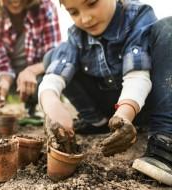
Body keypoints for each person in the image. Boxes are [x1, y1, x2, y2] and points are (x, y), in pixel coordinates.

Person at [39, 0, 172, 185]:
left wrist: (125, 113)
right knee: (53, 57)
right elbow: (54, 78)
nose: (85, 18)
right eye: (73, 12)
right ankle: (98, 122)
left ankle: (165, 139)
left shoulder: (137, 16)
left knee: (168, 27)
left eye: (92, 3)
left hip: (145, 104)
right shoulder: (76, 35)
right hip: (111, 110)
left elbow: (137, 76)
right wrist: (52, 104)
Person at [0, 0, 61, 131]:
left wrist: (31, 71)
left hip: (36, 79)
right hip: (7, 78)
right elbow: (1, 64)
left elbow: (53, 57)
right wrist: (4, 83)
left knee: (52, 74)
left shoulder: (46, 8)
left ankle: (32, 106)